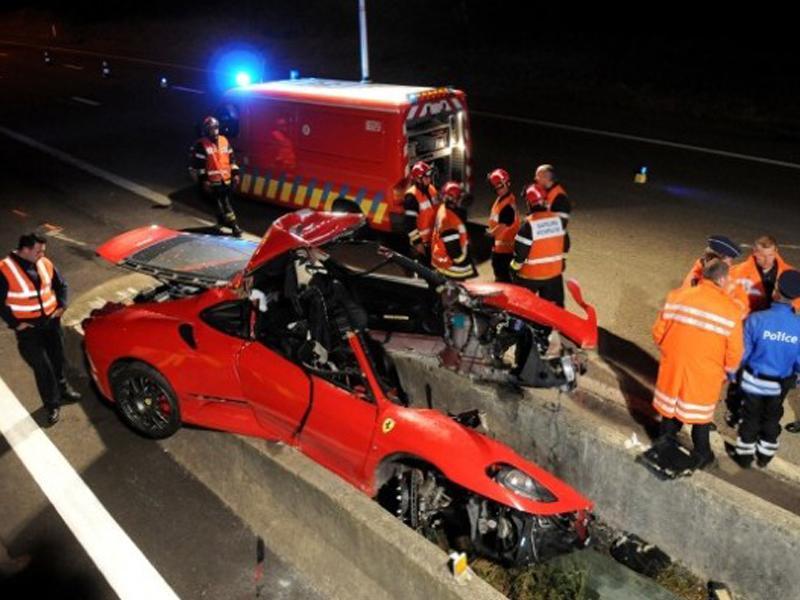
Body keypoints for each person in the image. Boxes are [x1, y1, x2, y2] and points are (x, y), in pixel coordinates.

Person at [651, 259, 744, 469]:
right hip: (705, 372)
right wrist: (727, 372)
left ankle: (664, 441)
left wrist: (670, 351)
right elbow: (734, 351)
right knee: (699, 416)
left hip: (674, 366)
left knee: (670, 408)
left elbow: (658, 332)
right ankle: (702, 455)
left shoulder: (677, 296)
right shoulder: (729, 310)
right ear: (721, 279)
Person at [0, 233, 81, 426]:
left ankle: (62, 390)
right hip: (29, 330)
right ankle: (52, 404)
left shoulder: (44, 262)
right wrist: (15, 322)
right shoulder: (4, 269)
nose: (42, 254)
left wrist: (61, 306)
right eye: (39, 251)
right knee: (42, 367)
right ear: (25, 250)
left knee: (57, 358)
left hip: (51, 323)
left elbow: (61, 285)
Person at [731, 270, 800, 468]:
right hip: (780, 383)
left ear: (776, 290)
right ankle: (765, 455)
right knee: (772, 416)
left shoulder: (756, 319)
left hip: (754, 380)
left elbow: (743, 354)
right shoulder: (798, 326)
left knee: (750, 416)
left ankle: (744, 456)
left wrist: (735, 373)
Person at [190, 115, 242, 237]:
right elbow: (200, 166)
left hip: (226, 180)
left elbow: (232, 159)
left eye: (216, 128)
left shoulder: (224, 140)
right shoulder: (201, 145)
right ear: (206, 130)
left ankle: (227, 223)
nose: (215, 131)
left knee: (224, 202)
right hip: (212, 182)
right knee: (221, 203)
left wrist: (235, 174)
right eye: (212, 129)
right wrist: (204, 181)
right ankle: (234, 226)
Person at [729, 235, 793, 313]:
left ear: (776, 251)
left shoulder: (790, 274)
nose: (767, 260)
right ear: (754, 252)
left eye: (770, 255)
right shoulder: (735, 272)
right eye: (762, 256)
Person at [430, 181, 476, 280]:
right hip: (452, 269)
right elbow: (455, 252)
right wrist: (464, 259)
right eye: (458, 198)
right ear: (450, 200)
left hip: (444, 262)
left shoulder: (445, 209)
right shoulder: (448, 220)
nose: (461, 201)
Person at [486, 168, 520, 282]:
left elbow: (502, 227)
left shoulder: (507, 205)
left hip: (504, 252)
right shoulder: (503, 199)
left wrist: (488, 235)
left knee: (503, 281)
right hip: (501, 249)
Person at [403, 160, 439, 262]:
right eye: (426, 177)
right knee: (423, 271)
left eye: (429, 177)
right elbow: (410, 225)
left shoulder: (431, 189)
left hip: (433, 240)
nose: (429, 180)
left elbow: (438, 209)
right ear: (418, 179)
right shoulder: (411, 197)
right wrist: (418, 244)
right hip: (421, 244)